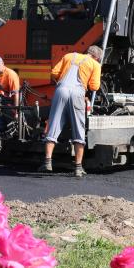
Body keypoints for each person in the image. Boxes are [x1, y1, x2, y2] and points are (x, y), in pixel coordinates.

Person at [41, 45, 102, 177]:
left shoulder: (68, 56)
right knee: (79, 129)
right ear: (96, 57)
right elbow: (94, 86)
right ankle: (78, 168)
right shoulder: (95, 65)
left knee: (53, 125)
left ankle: (47, 162)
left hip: (61, 90)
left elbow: (54, 73)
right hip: (78, 93)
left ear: (87, 52)